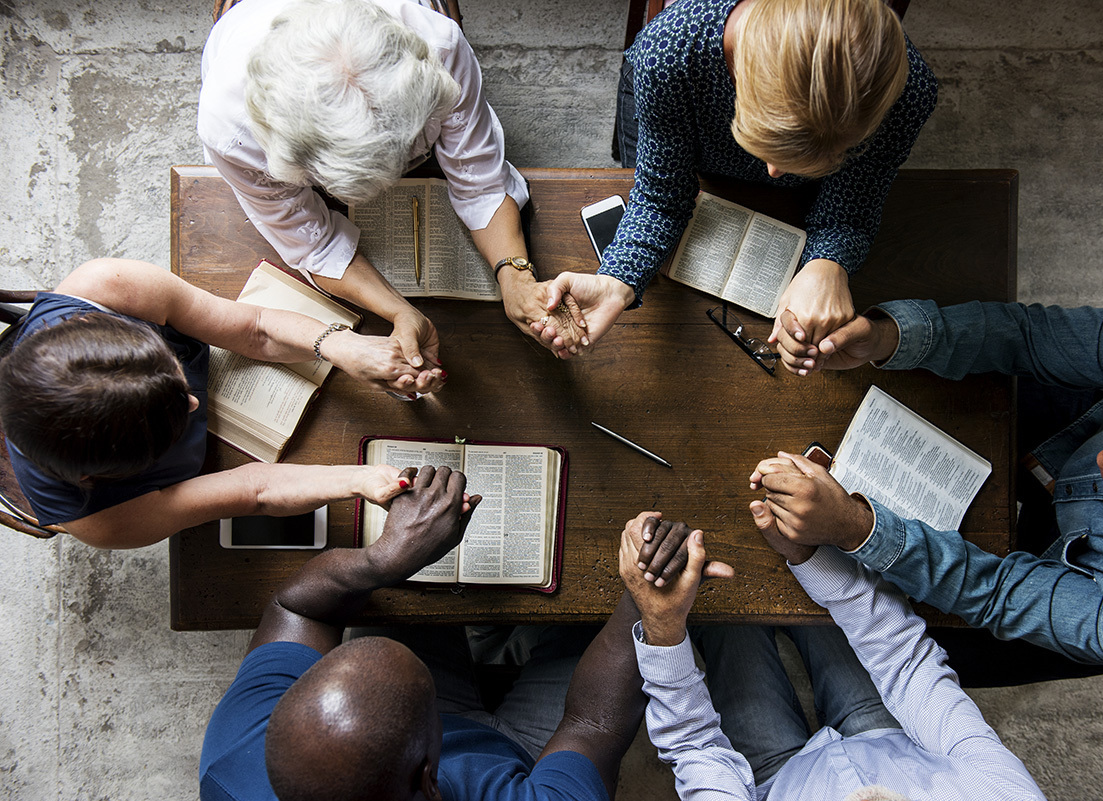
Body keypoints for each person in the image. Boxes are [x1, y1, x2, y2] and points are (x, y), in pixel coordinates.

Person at [751, 299, 1103, 679]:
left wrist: (856, 528)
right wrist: (890, 336)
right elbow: (1030, 335)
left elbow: (997, 593)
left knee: (918, 653)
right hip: (1076, 426)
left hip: (1100, 590)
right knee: (938, 382)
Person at [200, 465, 646, 801]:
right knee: (600, 614)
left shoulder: (237, 760)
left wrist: (383, 561)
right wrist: (646, 595)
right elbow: (592, 726)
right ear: (430, 779)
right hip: (531, 754)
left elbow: (294, 608)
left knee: (399, 597)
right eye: (429, 702)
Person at [199, 0, 585, 373]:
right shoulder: (229, 131)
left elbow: (480, 180)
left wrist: (516, 278)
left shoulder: (438, 43)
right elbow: (314, 244)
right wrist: (400, 311)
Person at [545, 0, 936, 366]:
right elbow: (662, 196)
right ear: (738, 76)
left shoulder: (909, 92)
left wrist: (828, 263)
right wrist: (618, 280)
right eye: (766, 142)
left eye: (824, 156)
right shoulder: (669, 53)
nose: (774, 173)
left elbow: (855, 200)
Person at [618, 510, 1047, 801]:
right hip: (889, 738)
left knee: (722, 604)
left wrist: (664, 625)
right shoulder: (1003, 793)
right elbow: (906, 663)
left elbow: (695, 746)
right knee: (821, 587)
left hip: (774, 780)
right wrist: (809, 555)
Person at [0, 259, 424, 549]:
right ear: (97, 475)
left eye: (172, 376)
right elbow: (253, 491)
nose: (190, 402)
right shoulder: (103, 521)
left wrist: (341, 345)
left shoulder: (104, 289)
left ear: (96, 323)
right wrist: (361, 480)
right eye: (167, 424)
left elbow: (255, 328)